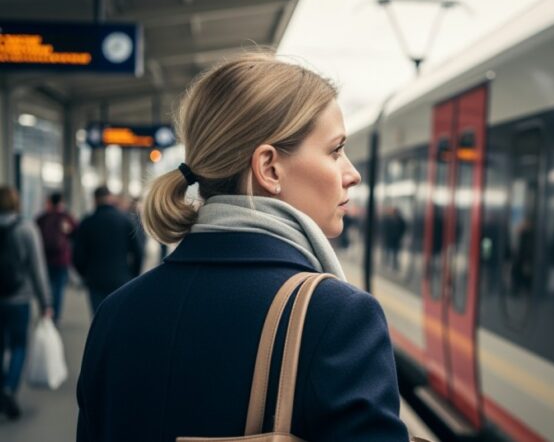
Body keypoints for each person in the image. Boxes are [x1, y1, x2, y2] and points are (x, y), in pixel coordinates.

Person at [76, 52, 409, 442]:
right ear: (269, 168)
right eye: (335, 151)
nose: (351, 174)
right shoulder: (338, 318)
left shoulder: (116, 313)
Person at [0, 186, 53, 420]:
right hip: (19, 298)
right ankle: (9, 388)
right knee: (19, 345)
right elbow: (37, 269)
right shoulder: (26, 228)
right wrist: (45, 302)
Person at [72, 186, 143, 314]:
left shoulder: (87, 222)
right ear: (110, 198)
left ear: (95, 199)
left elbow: (77, 255)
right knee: (118, 318)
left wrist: (85, 274)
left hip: (95, 280)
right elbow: (138, 252)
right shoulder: (125, 220)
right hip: (122, 279)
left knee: (99, 318)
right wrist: (133, 274)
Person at [35, 191, 77, 323]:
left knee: (46, 286)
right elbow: (75, 232)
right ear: (61, 202)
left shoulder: (42, 218)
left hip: (44, 258)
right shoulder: (66, 217)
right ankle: (55, 316)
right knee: (58, 289)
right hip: (61, 259)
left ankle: (46, 311)